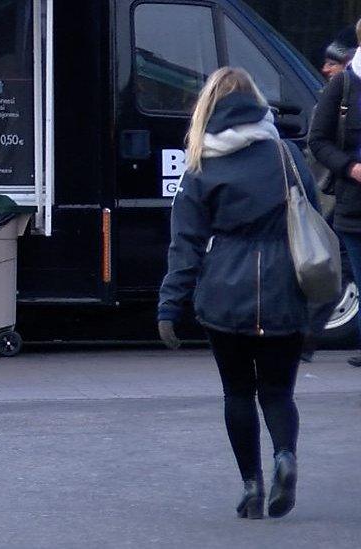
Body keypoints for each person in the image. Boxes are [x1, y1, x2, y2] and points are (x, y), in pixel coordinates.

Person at [158, 67, 316, 520]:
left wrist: (170, 305)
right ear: (257, 105)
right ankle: (285, 454)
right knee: (278, 392)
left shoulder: (202, 164)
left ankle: (251, 486)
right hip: (285, 288)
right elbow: (311, 220)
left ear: (208, 108)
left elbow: (184, 244)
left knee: (237, 394)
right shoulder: (286, 155)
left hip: (224, 294)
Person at [309, 18, 361, 368]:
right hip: (356, 209)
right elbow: (318, 140)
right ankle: (306, 334)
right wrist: (351, 168)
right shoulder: (343, 85)